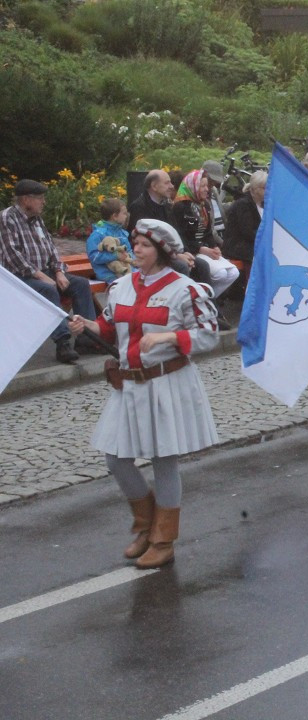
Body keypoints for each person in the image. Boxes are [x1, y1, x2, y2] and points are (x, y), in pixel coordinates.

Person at [68, 218, 219, 569]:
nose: (135, 249)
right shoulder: (121, 285)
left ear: (162, 251)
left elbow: (209, 336)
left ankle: (163, 538)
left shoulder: (185, 289)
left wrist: (168, 337)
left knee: (163, 458)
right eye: (134, 243)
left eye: (144, 245)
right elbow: (108, 325)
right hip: (128, 383)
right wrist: (85, 325)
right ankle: (146, 524)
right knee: (116, 458)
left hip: (166, 382)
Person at [1, 179, 97, 363]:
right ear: (26, 200)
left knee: (81, 284)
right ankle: (62, 343)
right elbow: (12, 254)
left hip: (46, 272)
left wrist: (59, 272)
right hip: (18, 278)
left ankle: (86, 337)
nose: (44, 202)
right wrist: (41, 275)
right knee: (47, 289)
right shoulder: (7, 218)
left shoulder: (37, 220)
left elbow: (51, 248)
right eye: (40, 198)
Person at [169, 170, 240, 302]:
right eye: (203, 186)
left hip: (205, 247)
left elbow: (207, 232)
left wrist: (214, 246)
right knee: (220, 273)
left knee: (233, 272)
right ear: (193, 186)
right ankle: (207, 301)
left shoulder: (204, 205)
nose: (207, 189)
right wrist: (201, 249)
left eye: (207, 186)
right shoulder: (180, 207)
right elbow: (181, 236)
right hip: (191, 250)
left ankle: (206, 299)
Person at [222, 170, 266, 299]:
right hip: (239, 244)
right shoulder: (243, 204)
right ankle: (253, 294)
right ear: (254, 189)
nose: (268, 191)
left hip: (254, 241)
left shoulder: (264, 204)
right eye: (264, 188)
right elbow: (248, 232)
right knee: (261, 255)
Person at [86, 198, 134, 282]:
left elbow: (129, 250)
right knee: (125, 287)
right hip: (108, 274)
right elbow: (94, 256)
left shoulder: (122, 233)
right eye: (124, 213)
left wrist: (129, 256)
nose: (126, 216)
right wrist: (115, 256)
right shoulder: (98, 234)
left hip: (126, 271)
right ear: (115, 216)